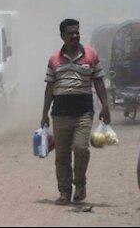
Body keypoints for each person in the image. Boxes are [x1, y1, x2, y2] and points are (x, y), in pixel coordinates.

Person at [41, 18, 111, 205]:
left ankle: (80, 184)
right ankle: (65, 192)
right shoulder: (54, 59)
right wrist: (44, 113)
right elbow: (50, 87)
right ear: (62, 36)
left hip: (83, 113)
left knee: (81, 149)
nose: (75, 36)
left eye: (77, 32)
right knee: (62, 156)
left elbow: (98, 82)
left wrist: (105, 106)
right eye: (71, 33)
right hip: (60, 115)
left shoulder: (91, 55)